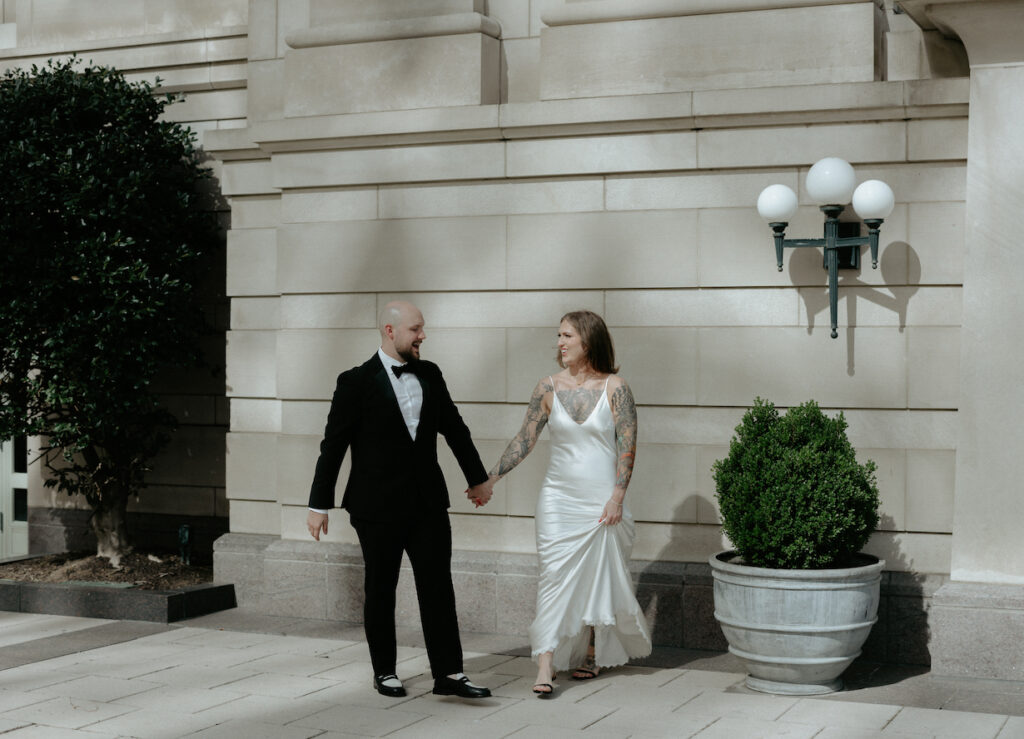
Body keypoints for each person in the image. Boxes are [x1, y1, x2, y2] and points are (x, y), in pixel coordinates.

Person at [306, 300, 493, 700]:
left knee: (438, 587)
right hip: (375, 507)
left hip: (427, 502)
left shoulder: (430, 374)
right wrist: (318, 504)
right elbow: (333, 446)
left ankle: (449, 673)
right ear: (390, 332)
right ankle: (384, 671)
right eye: (415, 329)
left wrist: (478, 480)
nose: (422, 335)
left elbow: (455, 429)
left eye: (422, 328)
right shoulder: (355, 382)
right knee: (381, 588)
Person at [481, 310, 652, 697]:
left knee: (594, 577)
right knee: (553, 576)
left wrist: (618, 496)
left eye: (567, 336)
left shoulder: (616, 388)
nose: (559, 343)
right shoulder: (547, 387)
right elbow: (523, 439)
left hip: (600, 499)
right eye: (558, 336)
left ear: (588, 340)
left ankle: (591, 652)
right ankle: (545, 662)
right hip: (557, 498)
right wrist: (490, 478)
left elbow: (628, 447)